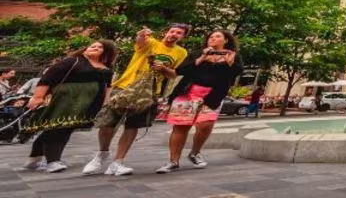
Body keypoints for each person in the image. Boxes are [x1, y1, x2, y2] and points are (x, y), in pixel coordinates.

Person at [84, 24, 190, 176]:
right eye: (172, 31)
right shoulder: (152, 42)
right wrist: (141, 34)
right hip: (126, 86)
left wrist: (163, 69)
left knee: (132, 126)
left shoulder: (181, 52)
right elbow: (140, 42)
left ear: (183, 37)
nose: (174, 34)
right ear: (165, 32)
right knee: (108, 122)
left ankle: (118, 162)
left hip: (149, 92)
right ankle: (102, 153)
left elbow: (174, 74)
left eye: (179, 33)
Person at [20, 41, 117, 173]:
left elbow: (108, 86)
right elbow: (48, 77)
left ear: (106, 52)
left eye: (100, 47)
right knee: (58, 128)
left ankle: (34, 159)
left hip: (86, 103)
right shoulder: (73, 61)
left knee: (63, 128)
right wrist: (38, 96)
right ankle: (53, 161)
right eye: (92, 46)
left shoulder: (106, 67)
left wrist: (105, 103)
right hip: (65, 100)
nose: (95, 47)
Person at [157, 29, 243, 174]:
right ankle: (173, 161)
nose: (213, 38)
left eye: (217, 36)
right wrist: (202, 58)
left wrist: (230, 64)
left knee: (205, 125)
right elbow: (181, 70)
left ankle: (195, 153)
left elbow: (235, 74)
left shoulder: (232, 55)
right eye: (211, 36)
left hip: (213, 95)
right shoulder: (197, 53)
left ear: (226, 40)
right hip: (188, 92)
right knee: (181, 126)